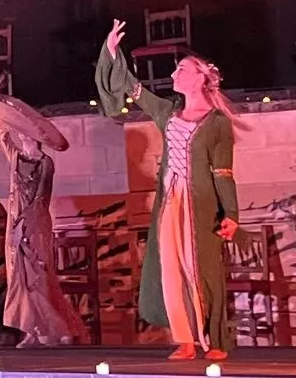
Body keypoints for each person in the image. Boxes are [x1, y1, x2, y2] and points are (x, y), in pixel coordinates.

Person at [96, 19, 244, 361]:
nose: (174, 74)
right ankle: (186, 339)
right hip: (170, 201)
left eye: (181, 69)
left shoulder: (217, 122)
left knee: (202, 269)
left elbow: (223, 173)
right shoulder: (168, 112)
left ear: (200, 78)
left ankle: (215, 339)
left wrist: (231, 214)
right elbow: (134, 89)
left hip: (201, 204)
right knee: (171, 267)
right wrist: (112, 51)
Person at [0, 74, 86, 348]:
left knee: (39, 276)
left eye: (25, 131)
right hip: (16, 222)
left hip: (34, 224)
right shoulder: (15, 156)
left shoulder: (45, 163)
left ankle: (60, 327)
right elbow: (1, 132)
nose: (20, 134)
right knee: (20, 277)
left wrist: (25, 226)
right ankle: (31, 331)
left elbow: (40, 197)